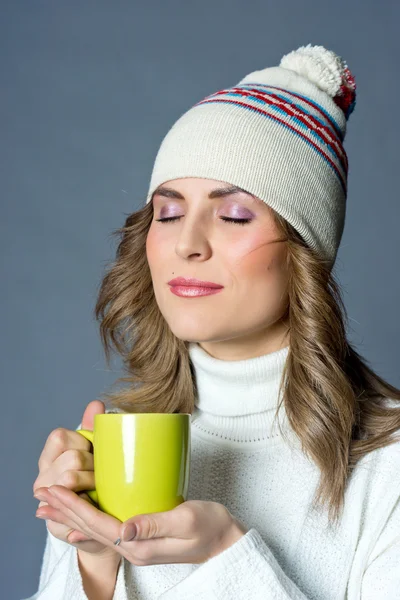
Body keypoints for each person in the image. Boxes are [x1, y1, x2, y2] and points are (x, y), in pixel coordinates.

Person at [27, 43, 400, 600]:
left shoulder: (388, 468)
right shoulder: (113, 447)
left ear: (305, 251)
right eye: (169, 212)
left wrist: (225, 555)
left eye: (232, 215)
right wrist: (93, 565)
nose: (186, 243)